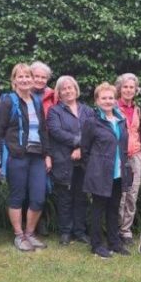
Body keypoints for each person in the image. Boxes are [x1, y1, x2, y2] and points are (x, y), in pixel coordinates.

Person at [0, 63, 49, 252]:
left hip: (36, 157)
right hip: (16, 156)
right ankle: (19, 235)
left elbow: (43, 130)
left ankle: (30, 233)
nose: (25, 80)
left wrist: (47, 154)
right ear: (14, 80)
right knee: (17, 196)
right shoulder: (8, 101)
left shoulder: (36, 101)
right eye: (21, 77)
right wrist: (0, 157)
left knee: (38, 196)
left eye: (28, 76)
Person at [82, 82, 131, 258]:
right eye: (104, 98)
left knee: (113, 208)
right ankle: (96, 244)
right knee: (98, 209)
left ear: (115, 100)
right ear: (97, 100)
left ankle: (114, 242)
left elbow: (123, 146)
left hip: (118, 172)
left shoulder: (120, 120)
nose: (108, 101)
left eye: (111, 98)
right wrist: (94, 169)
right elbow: (85, 150)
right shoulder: (91, 122)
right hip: (100, 173)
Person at [47, 76, 92, 245]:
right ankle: (65, 232)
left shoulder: (87, 110)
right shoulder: (54, 111)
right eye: (63, 88)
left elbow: (93, 131)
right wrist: (77, 142)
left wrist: (81, 149)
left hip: (84, 161)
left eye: (70, 87)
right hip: (63, 160)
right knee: (64, 198)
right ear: (58, 93)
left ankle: (79, 231)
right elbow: (56, 132)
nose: (67, 91)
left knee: (81, 197)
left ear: (76, 89)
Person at [116, 73, 141, 246]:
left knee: (132, 194)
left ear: (136, 90)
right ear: (120, 88)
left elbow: (137, 132)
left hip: (135, 155)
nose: (128, 90)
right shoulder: (112, 107)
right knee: (120, 194)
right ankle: (116, 228)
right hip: (118, 155)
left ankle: (126, 230)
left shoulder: (137, 109)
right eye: (125, 87)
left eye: (131, 87)